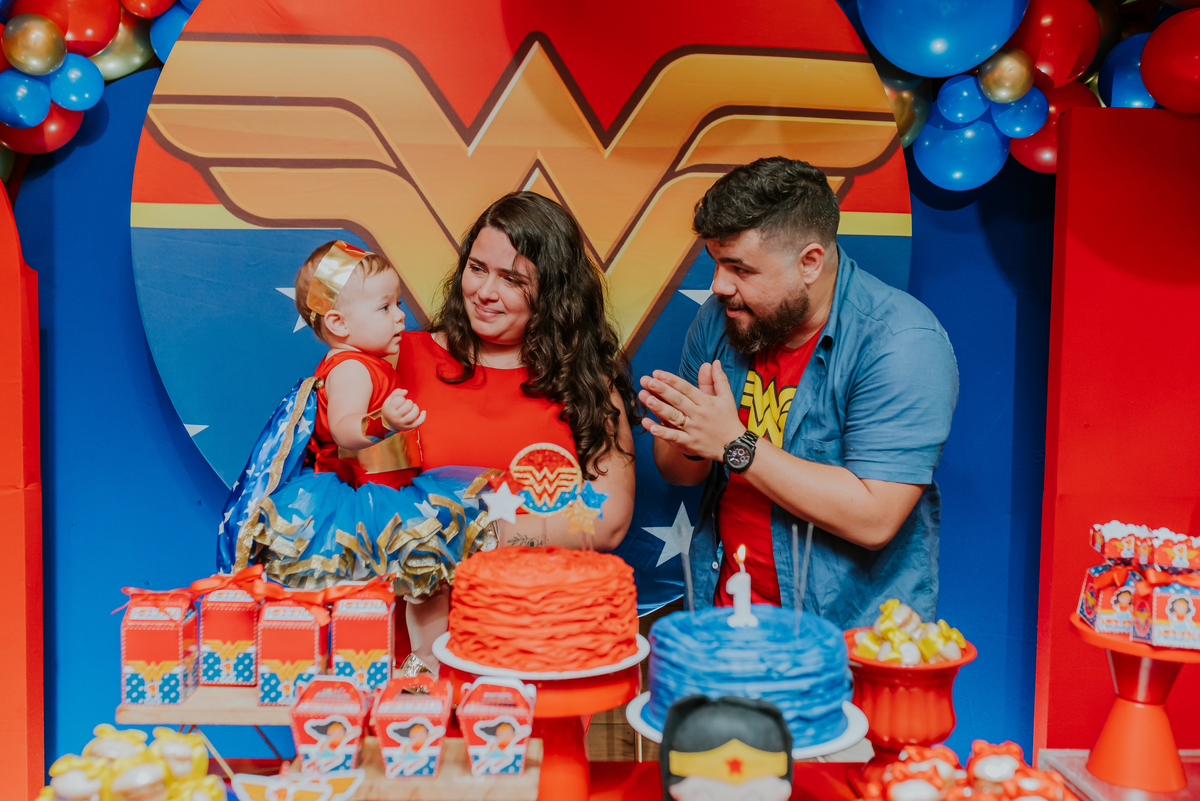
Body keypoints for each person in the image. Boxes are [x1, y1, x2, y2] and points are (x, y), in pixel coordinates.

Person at [641, 157, 958, 628]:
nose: (718, 285)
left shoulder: (900, 342)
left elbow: (874, 518)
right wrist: (688, 430)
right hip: (728, 616)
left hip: (845, 638)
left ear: (809, 262)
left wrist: (733, 443)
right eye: (715, 261)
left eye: (739, 268)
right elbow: (679, 473)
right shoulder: (719, 318)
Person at [218, 241, 492, 666]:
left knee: (428, 584)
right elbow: (346, 428)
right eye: (385, 307)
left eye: (397, 302)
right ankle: (386, 666)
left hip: (394, 486)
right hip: (369, 496)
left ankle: (420, 666)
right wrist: (383, 421)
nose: (401, 315)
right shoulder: (350, 367)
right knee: (387, 587)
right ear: (338, 323)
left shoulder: (368, 358)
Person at [394, 191, 640, 653]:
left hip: (535, 645)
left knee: (512, 729)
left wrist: (485, 534)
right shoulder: (402, 358)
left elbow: (606, 519)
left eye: (512, 279)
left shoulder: (586, 382)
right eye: (477, 267)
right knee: (414, 717)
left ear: (554, 291)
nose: (486, 292)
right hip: (414, 648)